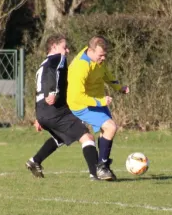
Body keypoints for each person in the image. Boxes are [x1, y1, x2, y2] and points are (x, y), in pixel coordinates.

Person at [26, 34, 100, 180]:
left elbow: (39, 91)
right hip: (54, 110)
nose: (67, 51)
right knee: (87, 136)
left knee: (60, 137)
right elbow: (53, 73)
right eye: (64, 47)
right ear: (54, 47)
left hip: (43, 111)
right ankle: (96, 173)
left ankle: (35, 161)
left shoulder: (42, 65)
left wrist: (38, 118)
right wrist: (52, 92)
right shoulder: (58, 58)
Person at [67, 36, 129, 181]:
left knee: (107, 130)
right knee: (111, 127)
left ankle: (102, 167)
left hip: (96, 100)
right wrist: (100, 101)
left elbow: (105, 74)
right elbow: (77, 97)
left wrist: (119, 87)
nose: (103, 58)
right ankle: (101, 167)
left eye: (105, 55)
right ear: (91, 51)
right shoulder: (80, 67)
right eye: (101, 55)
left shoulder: (98, 61)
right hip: (81, 105)